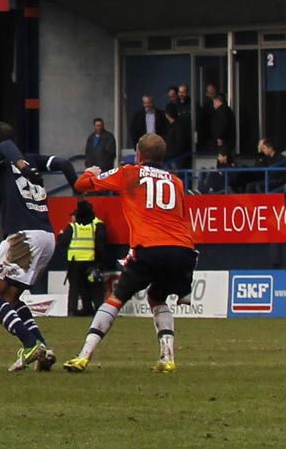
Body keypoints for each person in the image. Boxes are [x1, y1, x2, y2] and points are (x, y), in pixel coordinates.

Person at [66, 133, 197, 374]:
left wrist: (92, 172)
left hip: (150, 247)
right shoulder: (177, 182)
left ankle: (84, 356)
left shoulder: (129, 173)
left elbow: (81, 186)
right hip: (182, 250)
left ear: (138, 154)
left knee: (116, 298)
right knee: (157, 297)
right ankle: (167, 357)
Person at [0, 121, 71, 371]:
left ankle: (30, 344)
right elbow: (63, 164)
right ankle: (42, 348)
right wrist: (80, 193)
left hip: (22, 236)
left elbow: (5, 147)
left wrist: (21, 166)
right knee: (10, 298)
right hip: (47, 236)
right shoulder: (30, 159)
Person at [63, 199, 107, 316]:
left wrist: (61, 234)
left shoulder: (73, 227)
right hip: (91, 261)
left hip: (75, 262)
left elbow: (63, 242)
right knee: (94, 288)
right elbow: (100, 245)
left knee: (75, 289)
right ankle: (97, 310)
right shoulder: (96, 226)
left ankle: (73, 311)